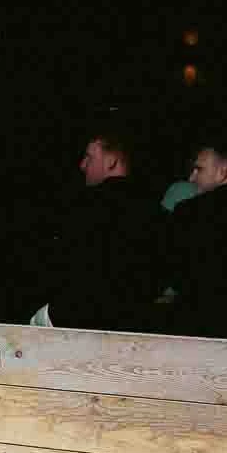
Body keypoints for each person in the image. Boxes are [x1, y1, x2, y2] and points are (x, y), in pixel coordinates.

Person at [31, 128, 164, 333]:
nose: (82, 165)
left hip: (72, 325)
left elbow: (59, 268)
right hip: (134, 330)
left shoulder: (81, 207)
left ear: (112, 161)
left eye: (89, 157)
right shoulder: (158, 214)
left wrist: (50, 314)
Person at [166, 143, 227, 339]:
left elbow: (172, 269)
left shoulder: (188, 212)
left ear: (223, 171)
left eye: (199, 169)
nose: (192, 177)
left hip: (193, 325)